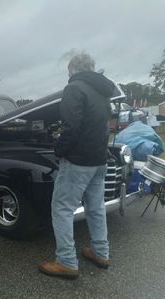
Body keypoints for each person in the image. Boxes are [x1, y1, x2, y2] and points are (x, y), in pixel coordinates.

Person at [38, 52, 115, 279]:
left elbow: (70, 127)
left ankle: (66, 262)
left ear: (72, 69)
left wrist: (59, 150)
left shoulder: (74, 88)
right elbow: (104, 125)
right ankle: (101, 253)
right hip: (99, 159)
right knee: (96, 208)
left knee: (61, 209)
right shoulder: (103, 91)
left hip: (78, 161)